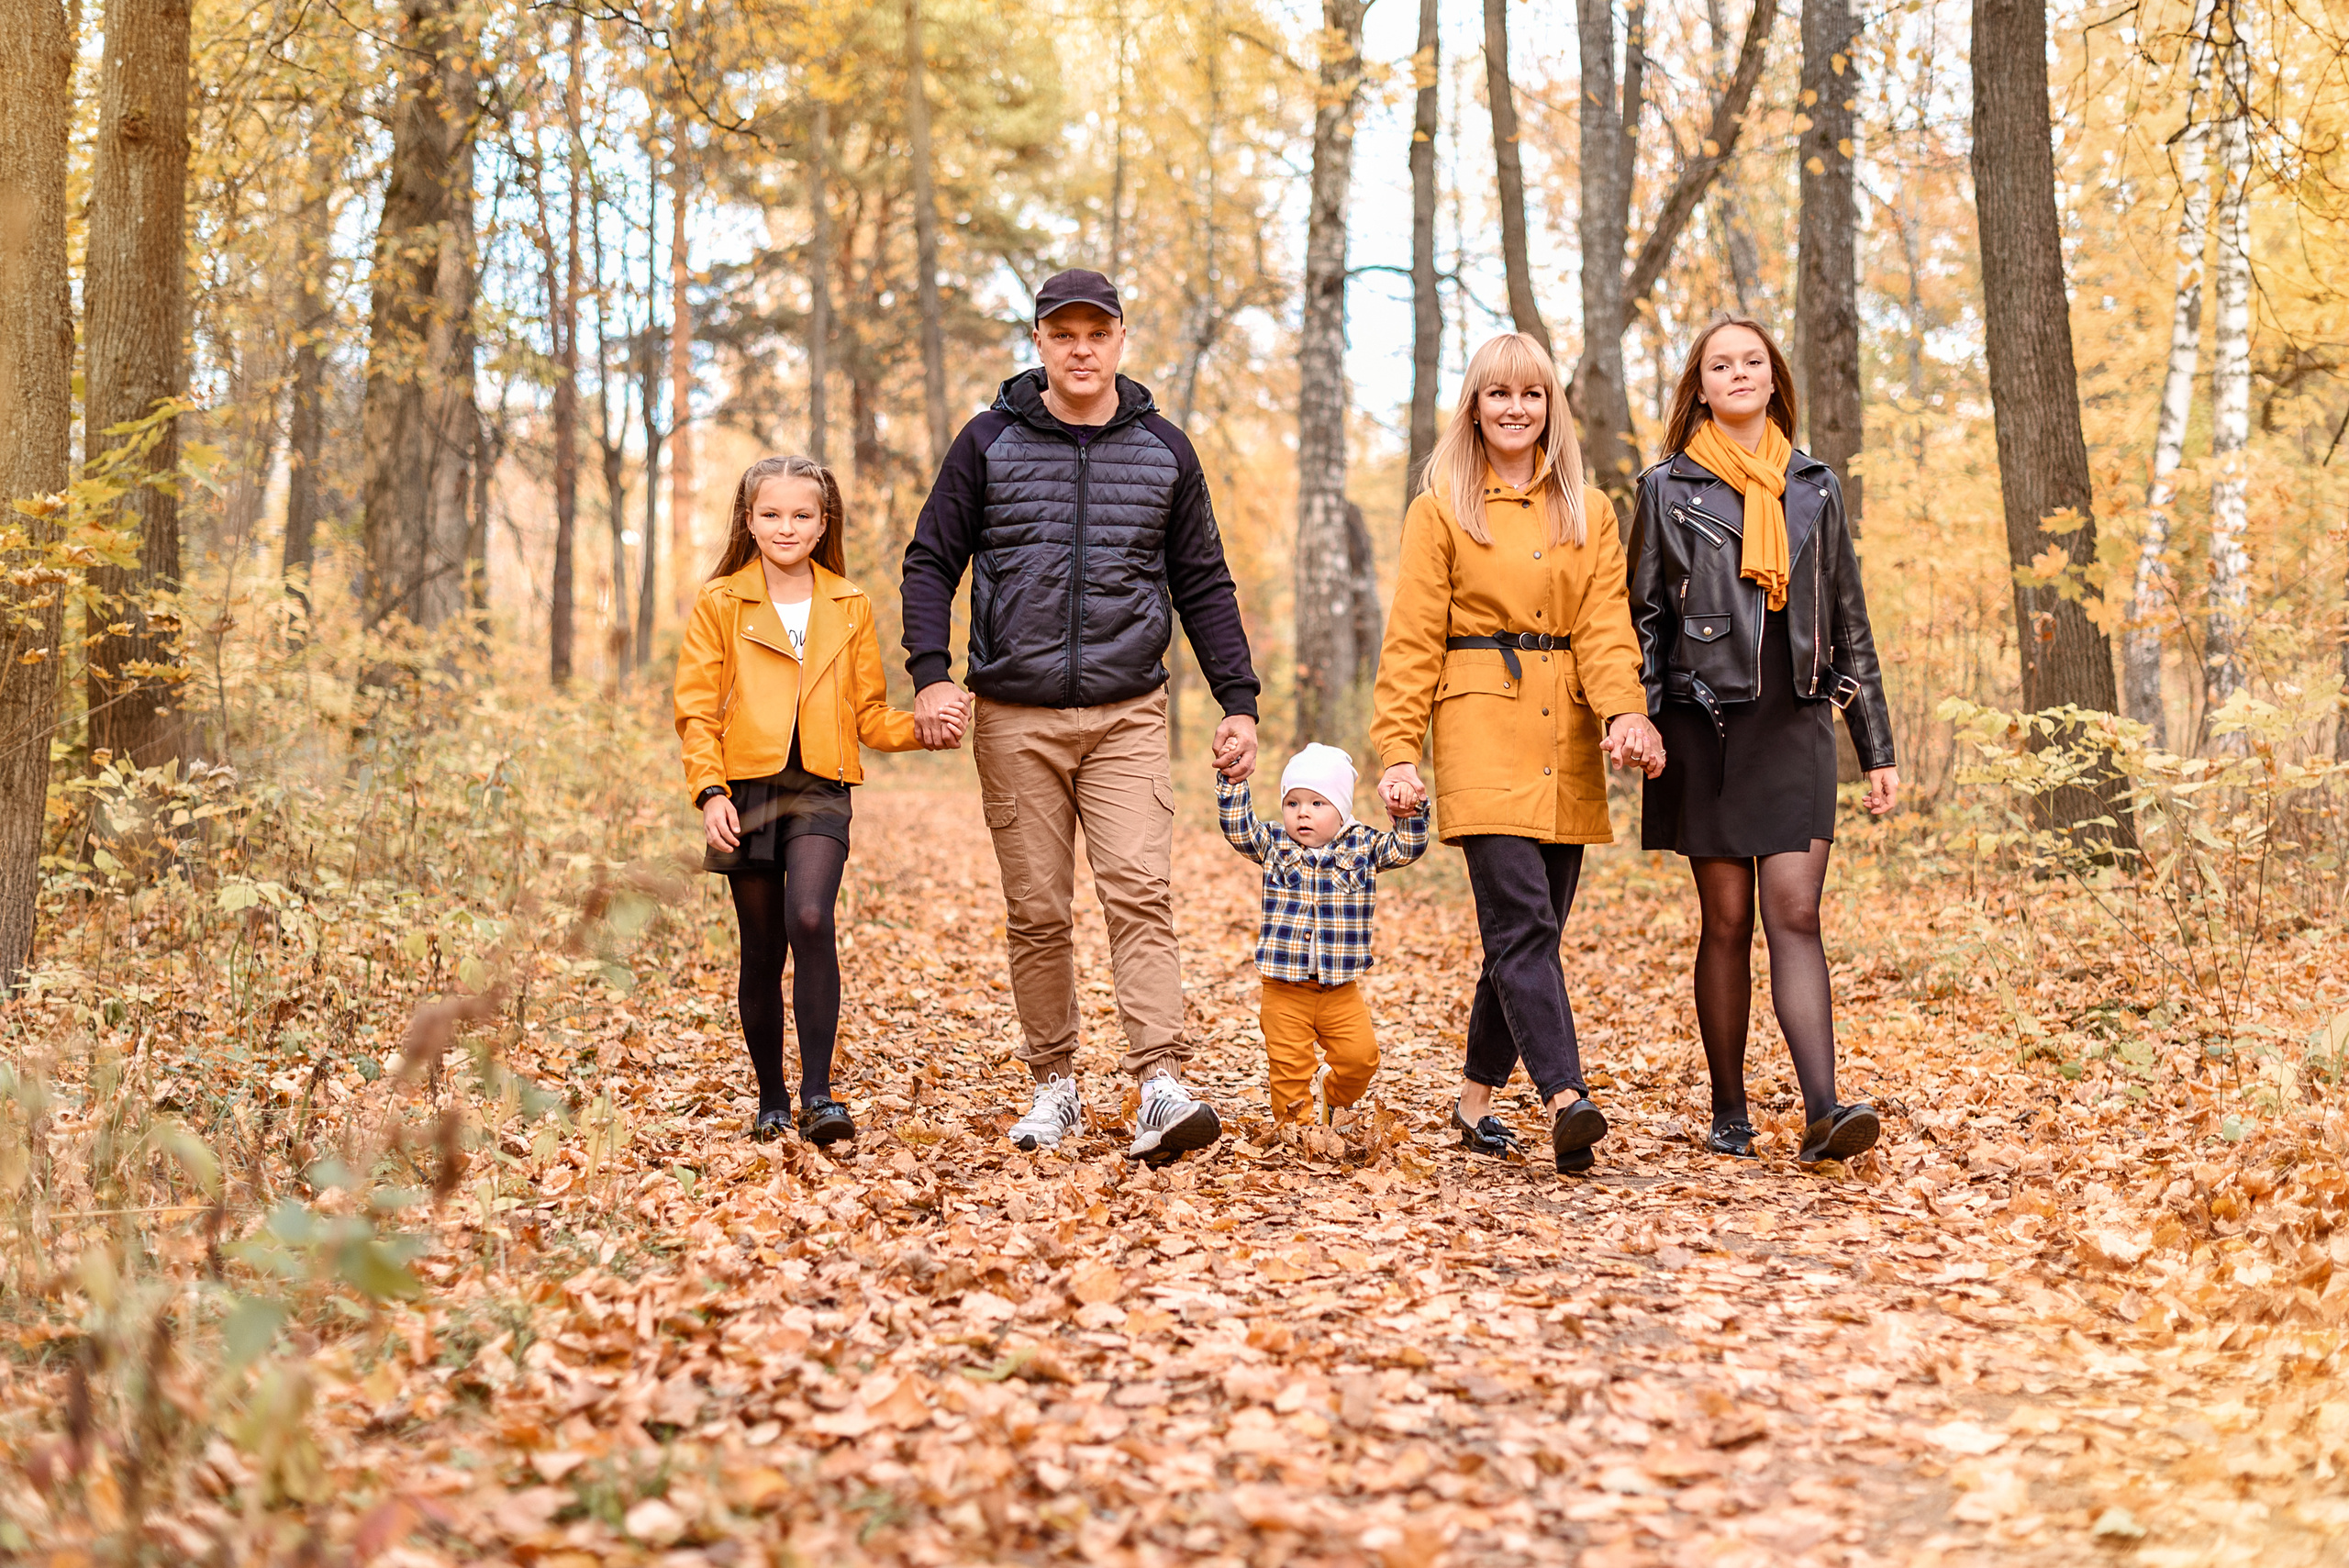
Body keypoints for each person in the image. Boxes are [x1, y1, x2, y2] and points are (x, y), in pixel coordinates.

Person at [899, 269, 1262, 1165]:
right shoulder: (985, 443)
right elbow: (929, 560)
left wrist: (1239, 698)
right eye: (1063, 333)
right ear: (1039, 344)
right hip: (1014, 715)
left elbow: (1203, 580)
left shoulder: (1164, 450)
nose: (1080, 347)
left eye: (1095, 332)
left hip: (1127, 712)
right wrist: (930, 674)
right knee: (1036, 909)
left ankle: (1158, 1081)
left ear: (1120, 340)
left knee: (1139, 890)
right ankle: (1053, 1086)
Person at [1369, 332, 1665, 1176]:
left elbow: (1607, 626)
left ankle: (1472, 1103)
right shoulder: (1439, 508)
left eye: (1531, 394)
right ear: (1474, 404)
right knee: (1525, 924)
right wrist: (1398, 750)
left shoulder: (1590, 507)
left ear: (1550, 408)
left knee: (1526, 936)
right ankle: (1567, 1098)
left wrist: (1625, 712)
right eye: (1498, 393)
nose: (1514, 408)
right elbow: (1413, 639)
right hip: (1478, 729)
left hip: (1564, 732)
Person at [1626, 317, 1898, 1165]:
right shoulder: (1665, 488)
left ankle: (1824, 1110)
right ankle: (1730, 1109)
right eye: (1720, 364)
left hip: (1797, 723)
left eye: (1752, 361)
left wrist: (1876, 747)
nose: (1738, 374)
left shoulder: (1815, 484)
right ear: (1700, 387)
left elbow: (1849, 620)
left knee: (1796, 911)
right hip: (1704, 725)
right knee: (1727, 919)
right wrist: (1635, 714)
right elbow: (1641, 618)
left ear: (1774, 378)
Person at [674, 455, 965, 1146]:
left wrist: (924, 729)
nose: (786, 526)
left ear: (822, 521)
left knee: (810, 917)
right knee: (761, 947)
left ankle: (819, 1095)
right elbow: (695, 711)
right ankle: (772, 1098)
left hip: (822, 786)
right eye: (771, 514)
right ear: (748, 521)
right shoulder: (722, 601)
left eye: (801, 514)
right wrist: (709, 790)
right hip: (745, 788)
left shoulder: (849, 602)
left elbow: (868, 713)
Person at [1217, 743, 1428, 1129]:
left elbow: (1407, 847)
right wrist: (1234, 782)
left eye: (1317, 804)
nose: (1302, 813)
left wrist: (1408, 811)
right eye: (1293, 803)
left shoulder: (1362, 846)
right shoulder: (1275, 844)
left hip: (1339, 990)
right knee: (1289, 1069)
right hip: (1283, 989)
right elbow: (1238, 828)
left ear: (1342, 810)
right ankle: (1297, 1135)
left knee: (1361, 1058)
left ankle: (1334, 1098)